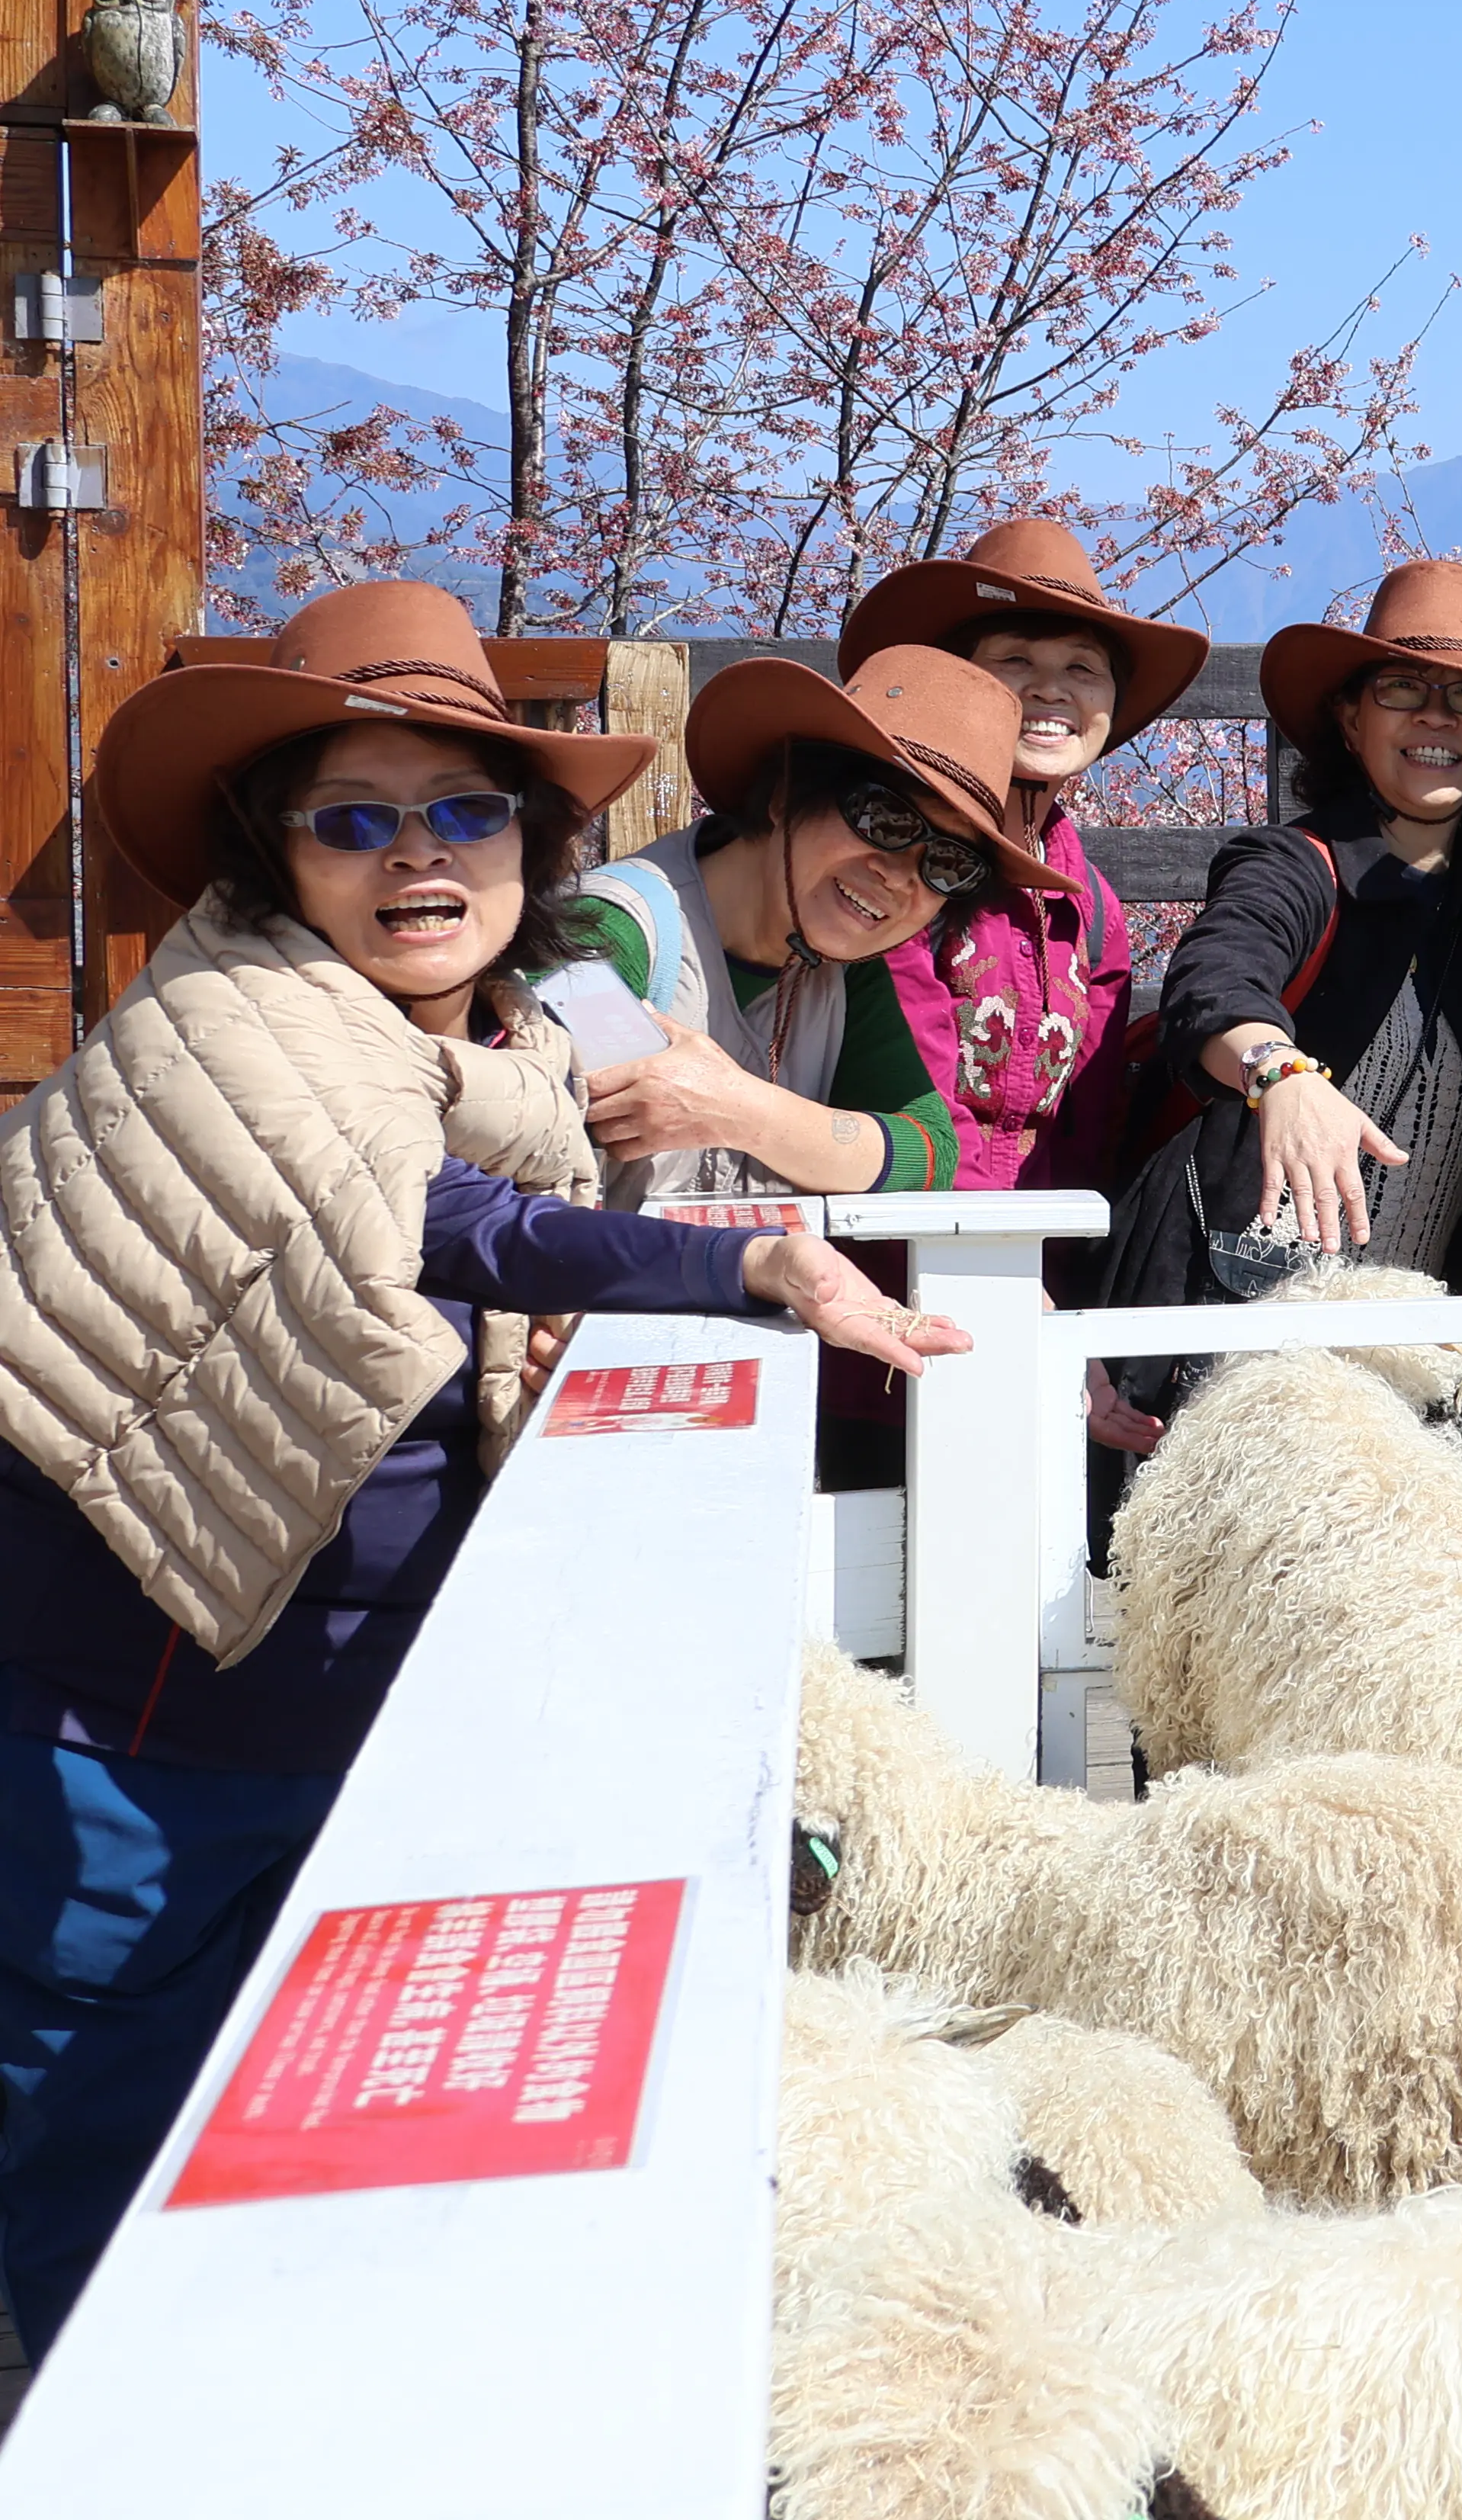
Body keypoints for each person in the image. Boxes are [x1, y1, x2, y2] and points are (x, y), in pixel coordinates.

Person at [0, 583, 959, 2350]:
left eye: (464, 809)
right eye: (353, 818)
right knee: (100, 2135)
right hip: (133, 1716)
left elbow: (914, 1139)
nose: (417, 854)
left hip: (377, 1704)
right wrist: (747, 1259)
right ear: (272, 850)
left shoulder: (546, 1013)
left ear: (528, 838)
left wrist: (753, 1137)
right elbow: (433, 1213)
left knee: (320, 2149)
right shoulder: (230, 1018)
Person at [1097, 560, 1462, 1475]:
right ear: (1352, 720)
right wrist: (1279, 1071)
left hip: (1410, 1386)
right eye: (1402, 688)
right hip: (1224, 1357)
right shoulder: (1293, 867)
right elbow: (1215, 975)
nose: (1437, 718)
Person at [557, 645, 1069, 1205]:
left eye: (948, 864)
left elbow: (930, 1152)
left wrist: (742, 1111)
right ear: (786, 796)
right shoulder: (602, 935)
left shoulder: (844, 970)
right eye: (883, 820)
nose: (900, 876)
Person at [837, 515, 1208, 1209]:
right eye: (1014, 661)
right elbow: (909, 1087)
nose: (1050, 690)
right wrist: (1001, 1248)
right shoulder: (892, 865)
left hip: (1040, 1251)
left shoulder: (1091, 908)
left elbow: (1090, 1124)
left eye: (1082, 668)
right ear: (954, 683)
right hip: (888, 1244)